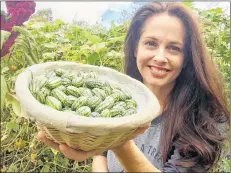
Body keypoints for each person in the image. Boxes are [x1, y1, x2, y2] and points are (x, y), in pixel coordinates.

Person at [38, 2, 230, 172]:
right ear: (136, 48)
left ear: (187, 58)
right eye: (151, 43)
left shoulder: (205, 119)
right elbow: (101, 154)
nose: (160, 57)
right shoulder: (118, 98)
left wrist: (120, 142)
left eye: (174, 48)